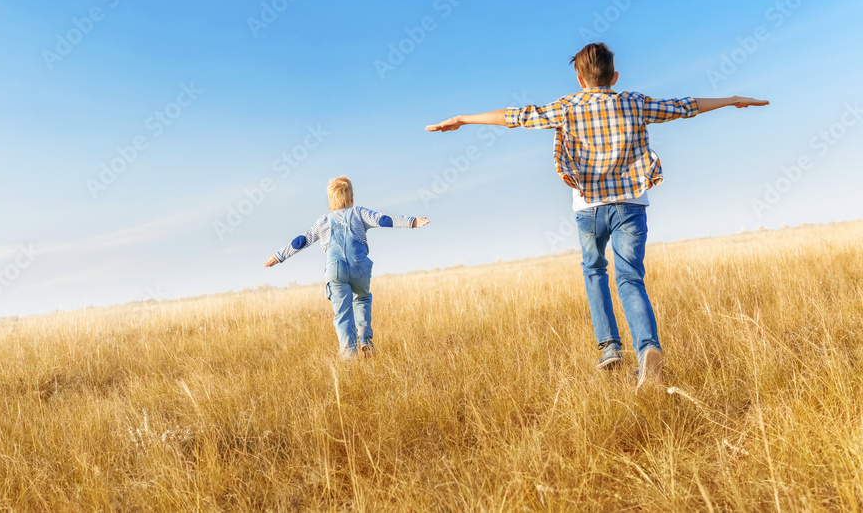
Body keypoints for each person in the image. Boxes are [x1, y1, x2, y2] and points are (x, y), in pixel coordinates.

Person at [425, 42, 769, 388]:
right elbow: (685, 107)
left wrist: (463, 119)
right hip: (631, 205)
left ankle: (609, 347)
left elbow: (515, 116)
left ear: (580, 79)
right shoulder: (633, 101)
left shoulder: (567, 107)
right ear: (614, 76)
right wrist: (730, 99)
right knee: (630, 278)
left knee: (594, 271)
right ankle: (648, 348)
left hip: (588, 208)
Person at [265, 176, 430, 358]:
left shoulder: (323, 222)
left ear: (330, 201)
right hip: (360, 267)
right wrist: (412, 222)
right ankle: (365, 340)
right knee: (362, 299)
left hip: (336, 270)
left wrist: (278, 256)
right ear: (351, 198)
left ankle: (349, 356)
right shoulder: (358, 213)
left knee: (343, 314)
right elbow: (382, 219)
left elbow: (302, 240)